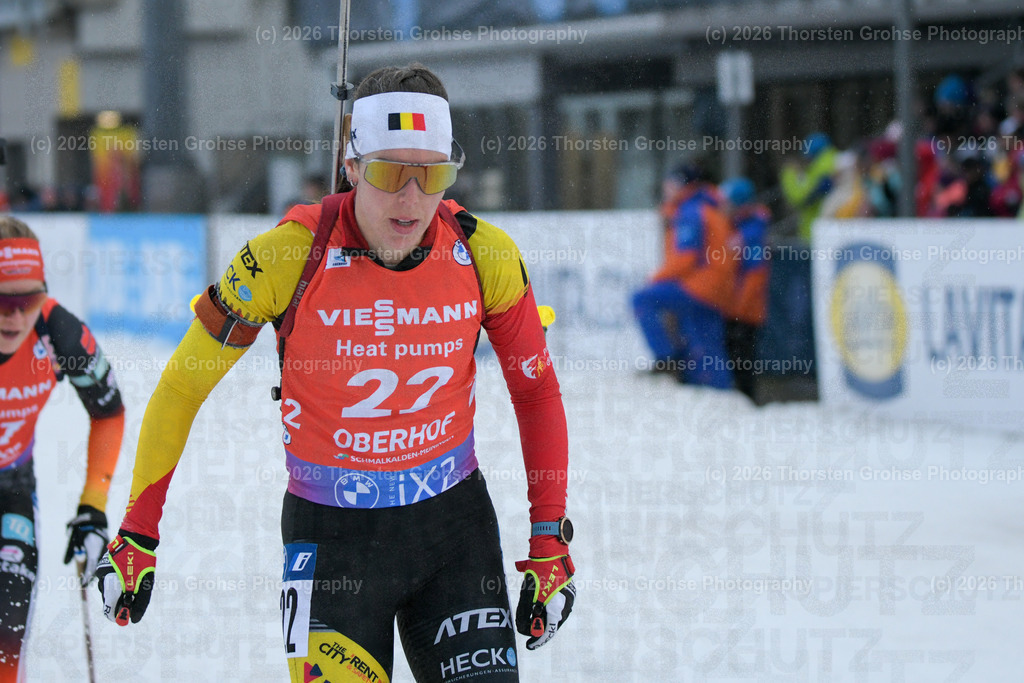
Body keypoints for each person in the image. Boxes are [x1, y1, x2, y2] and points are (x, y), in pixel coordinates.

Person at [95, 63, 575, 683]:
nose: (411, 198)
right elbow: (182, 388)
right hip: (330, 545)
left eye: (432, 174)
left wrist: (549, 539)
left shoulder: (485, 255)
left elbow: (536, 392)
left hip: (454, 534)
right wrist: (137, 532)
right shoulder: (286, 258)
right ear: (351, 165)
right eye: (388, 173)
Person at [0, 216, 124, 681]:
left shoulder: (58, 333)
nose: (16, 317)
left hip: (10, 487)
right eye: (3, 301)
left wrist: (93, 505)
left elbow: (109, 412)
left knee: (6, 645)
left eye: (28, 300)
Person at [633, 163, 735, 388]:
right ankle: (722, 393)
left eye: (670, 184)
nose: (665, 189)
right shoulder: (708, 208)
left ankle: (666, 359)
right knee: (707, 348)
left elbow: (686, 258)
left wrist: (656, 278)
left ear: (681, 185)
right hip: (718, 288)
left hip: (701, 286)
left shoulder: (690, 211)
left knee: (642, 299)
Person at [719, 178, 771, 404]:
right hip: (734, 307)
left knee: (742, 360)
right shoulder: (738, 227)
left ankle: (747, 402)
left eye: (728, 203)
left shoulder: (752, 232)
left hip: (744, 311)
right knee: (735, 357)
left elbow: (755, 275)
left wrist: (739, 309)